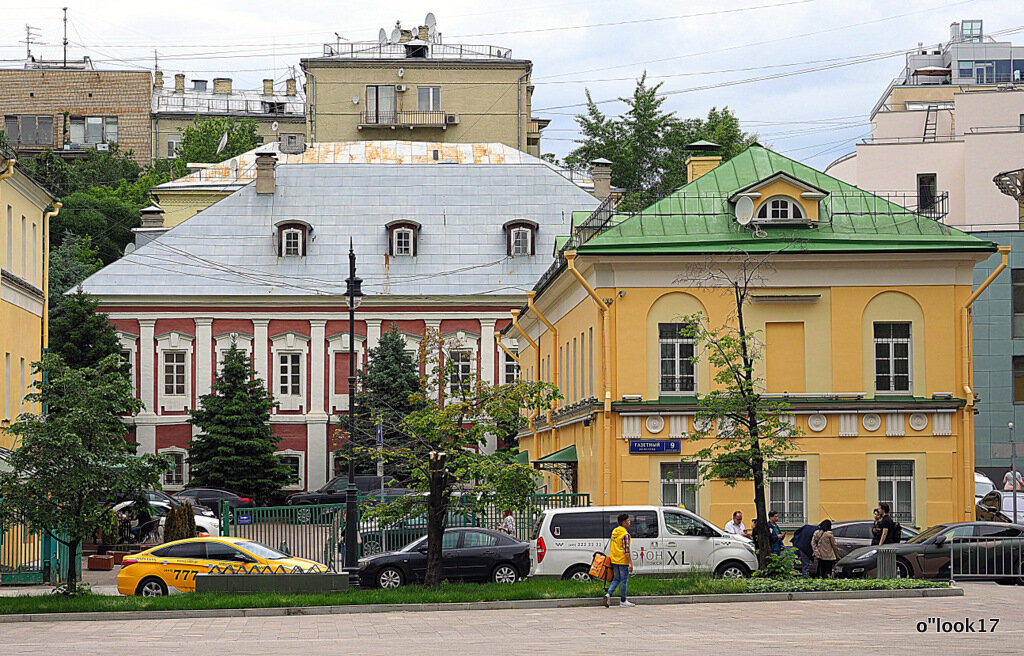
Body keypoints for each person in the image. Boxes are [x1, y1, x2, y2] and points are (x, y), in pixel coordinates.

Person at [604, 513, 635, 608]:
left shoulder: (615, 531)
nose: (629, 522)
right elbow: (626, 550)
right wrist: (630, 563)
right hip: (622, 561)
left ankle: (608, 594)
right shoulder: (625, 535)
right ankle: (623, 601)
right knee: (624, 581)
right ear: (624, 522)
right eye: (628, 520)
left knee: (616, 579)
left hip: (614, 560)